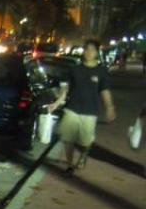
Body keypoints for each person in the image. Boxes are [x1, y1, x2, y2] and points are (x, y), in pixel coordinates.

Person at [48, 39, 116, 177]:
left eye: (92, 50)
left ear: (97, 52)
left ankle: (84, 155)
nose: (88, 52)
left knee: (86, 142)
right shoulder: (75, 69)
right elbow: (66, 89)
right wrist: (56, 103)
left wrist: (110, 107)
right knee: (68, 138)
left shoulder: (101, 71)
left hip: (90, 111)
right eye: (86, 49)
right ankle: (69, 165)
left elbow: (105, 90)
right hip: (72, 108)